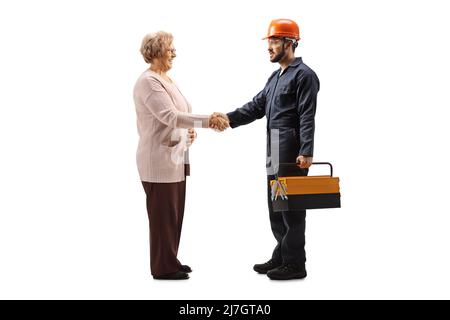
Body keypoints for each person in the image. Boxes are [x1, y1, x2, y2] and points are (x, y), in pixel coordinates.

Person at [214, 19, 320, 280]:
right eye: (269, 41)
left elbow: (307, 115)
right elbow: (256, 106)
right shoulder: (275, 77)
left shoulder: (304, 75)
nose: (269, 47)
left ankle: (295, 264)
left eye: (274, 41)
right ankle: (282, 255)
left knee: (290, 206)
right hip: (273, 145)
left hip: (291, 148)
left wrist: (306, 150)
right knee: (275, 204)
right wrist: (226, 119)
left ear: (290, 43)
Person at [133, 31, 228, 280]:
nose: (174, 52)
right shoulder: (148, 82)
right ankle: (163, 267)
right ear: (155, 52)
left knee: (173, 214)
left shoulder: (167, 80)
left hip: (175, 158)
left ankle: (170, 259)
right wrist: (209, 121)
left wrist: (188, 135)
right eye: (170, 48)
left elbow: (177, 120)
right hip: (158, 161)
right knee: (163, 216)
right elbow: (170, 117)